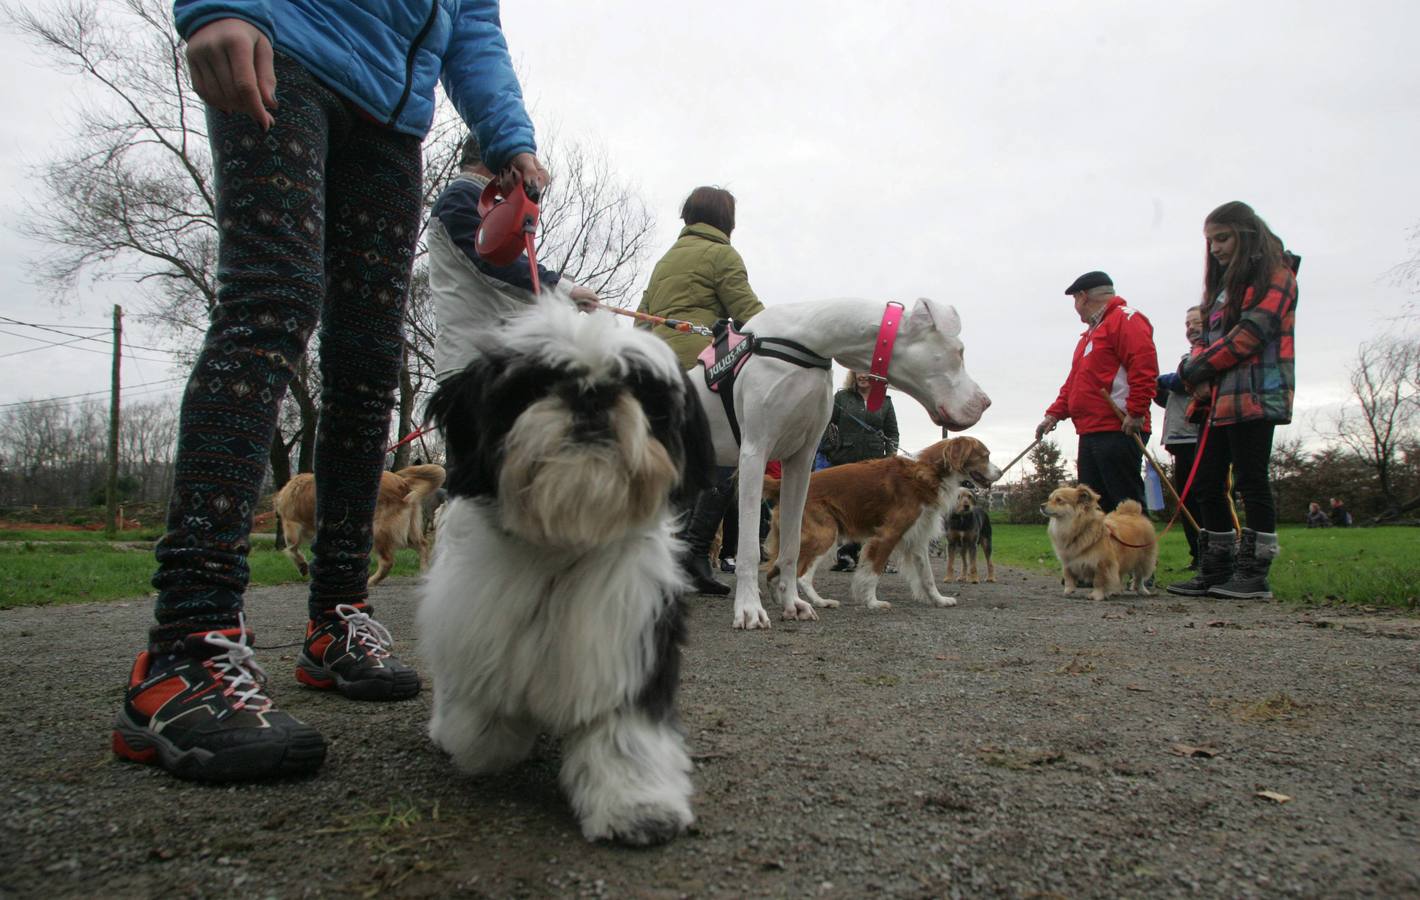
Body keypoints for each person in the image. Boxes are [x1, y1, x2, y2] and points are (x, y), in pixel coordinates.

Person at [115, 1, 550, 783]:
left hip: (393, 118)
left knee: (367, 362)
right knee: (270, 302)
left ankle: (339, 613)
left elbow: (475, 26)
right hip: (286, 46)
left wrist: (511, 137)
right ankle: (188, 644)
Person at [1167, 202, 1299, 600]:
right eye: (1210, 242)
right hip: (1217, 401)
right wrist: (1198, 374)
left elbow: (1249, 335)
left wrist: (1196, 370)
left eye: (1222, 238)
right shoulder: (1223, 286)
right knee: (1207, 483)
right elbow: (1206, 333)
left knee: (1251, 480)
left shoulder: (1279, 275)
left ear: (1246, 233)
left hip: (1256, 395)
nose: (1216, 249)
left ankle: (1254, 574)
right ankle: (1215, 568)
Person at [639, 186, 766, 594]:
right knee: (723, 456)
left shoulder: (666, 261)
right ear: (726, 219)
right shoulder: (722, 254)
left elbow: (641, 320)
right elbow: (750, 315)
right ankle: (690, 551)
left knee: (669, 460)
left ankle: (663, 556)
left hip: (657, 370)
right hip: (703, 372)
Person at [429, 135, 599, 382]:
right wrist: (563, 290)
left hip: (489, 358)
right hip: (476, 363)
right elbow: (497, 263)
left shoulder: (479, 203)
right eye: (523, 162)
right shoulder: (462, 197)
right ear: (502, 162)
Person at [1036, 271, 1160, 513]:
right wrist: (1054, 414)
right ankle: (1101, 551)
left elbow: (1144, 366)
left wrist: (1136, 411)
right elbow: (1075, 382)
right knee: (1092, 506)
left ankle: (1134, 550)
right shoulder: (1091, 334)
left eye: (1074, 300)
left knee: (1124, 504)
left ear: (1082, 297)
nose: (1076, 307)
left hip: (1118, 426)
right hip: (1090, 429)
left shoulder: (1126, 319)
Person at [823, 370, 899, 571]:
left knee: (874, 509)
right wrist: (830, 448)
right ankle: (846, 554)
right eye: (858, 371)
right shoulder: (841, 397)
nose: (862, 375)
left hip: (875, 462)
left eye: (867, 372)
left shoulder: (885, 401)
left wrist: (890, 458)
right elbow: (824, 423)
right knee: (847, 507)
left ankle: (875, 557)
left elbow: (892, 432)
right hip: (845, 459)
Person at [1154, 308, 1206, 568]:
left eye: (1196, 322)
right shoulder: (1188, 357)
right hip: (1178, 439)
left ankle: (1216, 553)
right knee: (1186, 501)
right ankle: (1197, 553)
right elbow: (1173, 398)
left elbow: (1182, 379)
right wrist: (1157, 391)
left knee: (1204, 495)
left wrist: (1159, 379)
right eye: (1187, 324)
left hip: (1198, 438)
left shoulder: (1204, 355)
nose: (1191, 328)